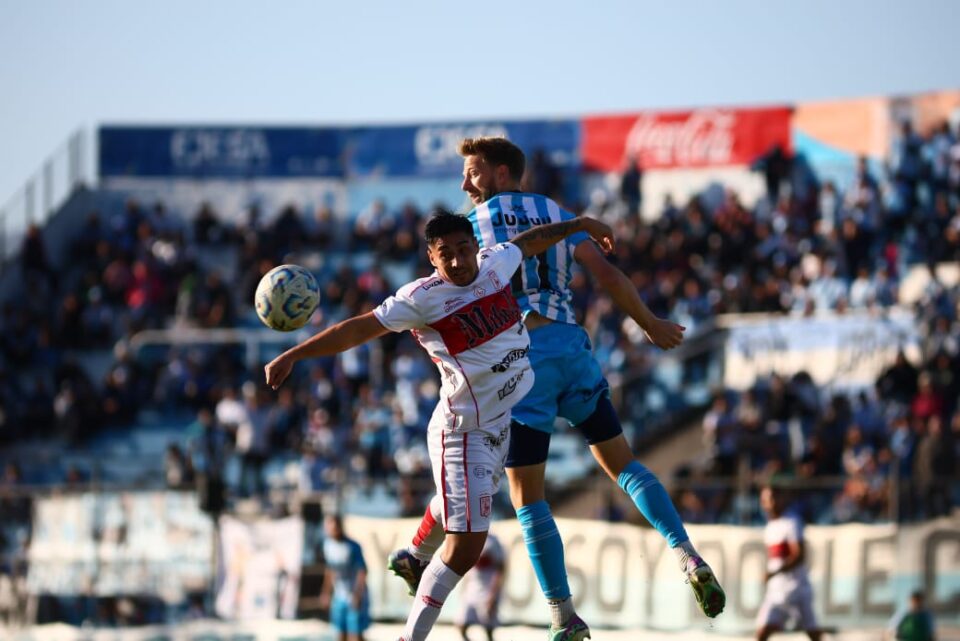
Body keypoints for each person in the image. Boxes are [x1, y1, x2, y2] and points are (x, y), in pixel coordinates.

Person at [389, 136, 725, 641]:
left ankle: (563, 616)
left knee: (526, 497)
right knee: (625, 466)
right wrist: (649, 322)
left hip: (521, 360)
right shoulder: (557, 212)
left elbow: (451, 294)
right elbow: (606, 273)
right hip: (574, 349)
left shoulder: (471, 233)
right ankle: (687, 555)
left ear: (503, 174)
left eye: (474, 172)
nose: (464, 184)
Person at [265, 210, 615, 641]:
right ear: (432, 259)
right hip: (463, 432)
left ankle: (413, 556)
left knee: (460, 510)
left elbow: (531, 240)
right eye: (444, 255)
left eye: (463, 249)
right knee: (466, 546)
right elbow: (355, 330)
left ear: (475, 246)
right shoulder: (421, 299)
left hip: (498, 424)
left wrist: (580, 223)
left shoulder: (496, 263)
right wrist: (295, 355)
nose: (456, 262)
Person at [756, 485, 820, 641]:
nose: (769, 503)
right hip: (777, 590)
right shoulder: (770, 526)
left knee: (812, 632)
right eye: (765, 499)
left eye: (772, 498)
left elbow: (798, 556)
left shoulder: (792, 522)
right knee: (762, 631)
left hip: (796, 588)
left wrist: (774, 572)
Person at [321, 514, 370, 641]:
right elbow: (330, 570)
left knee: (355, 635)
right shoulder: (327, 545)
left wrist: (358, 595)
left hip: (354, 595)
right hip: (339, 596)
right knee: (340, 634)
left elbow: (362, 571)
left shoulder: (352, 546)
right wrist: (326, 593)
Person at [455, 532, 506, 641]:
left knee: (488, 628)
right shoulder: (470, 540)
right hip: (472, 588)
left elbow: (500, 569)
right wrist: (464, 587)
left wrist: (493, 594)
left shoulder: (493, 541)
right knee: (462, 624)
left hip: (488, 589)